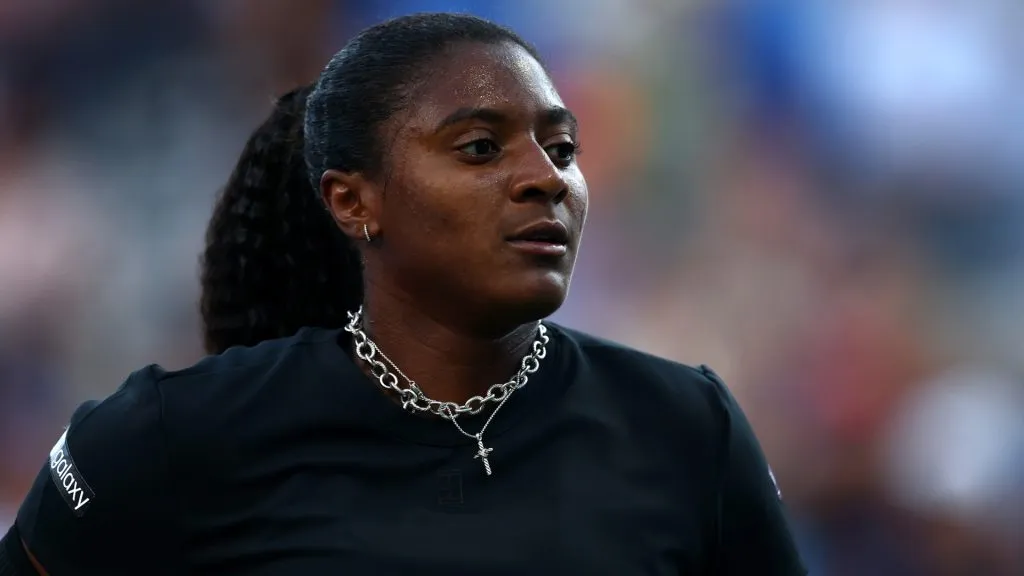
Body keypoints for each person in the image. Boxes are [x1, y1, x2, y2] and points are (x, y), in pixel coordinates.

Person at [0, 12, 806, 575]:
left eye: (562, 149)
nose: (546, 179)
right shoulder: (168, 436)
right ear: (354, 201)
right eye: (481, 147)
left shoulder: (686, 428)